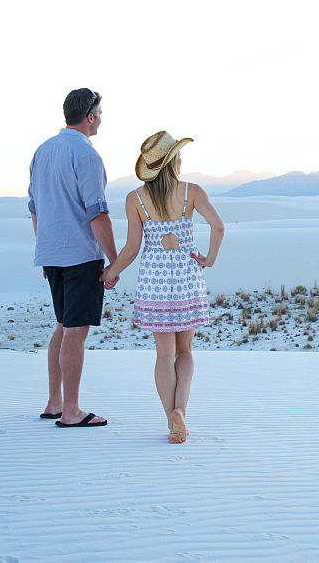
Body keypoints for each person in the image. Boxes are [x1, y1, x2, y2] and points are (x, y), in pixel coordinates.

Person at [103, 131, 225, 443]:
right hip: (186, 277)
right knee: (185, 351)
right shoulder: (192, 192)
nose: (181, 159)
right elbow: (218, 225)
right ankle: (180, 410)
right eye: (178, 155)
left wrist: (110, 273)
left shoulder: (135, 199)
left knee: (163, 355)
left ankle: (170, 417)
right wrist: (208, 259)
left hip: (154, 282)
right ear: (171, 162)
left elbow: (131, 248)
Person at [28, 88, 118, 428]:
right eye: (100, 113)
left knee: (63, 326)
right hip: (81, 255)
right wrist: (115, 260)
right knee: (75, 331)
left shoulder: (42, 150)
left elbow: (34, 207)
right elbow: (97, 213)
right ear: (91, 116)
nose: (101, 120)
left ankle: (55, 402)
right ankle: (72, 411)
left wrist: (45, 249)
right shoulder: (87, 155)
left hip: (52, 253)